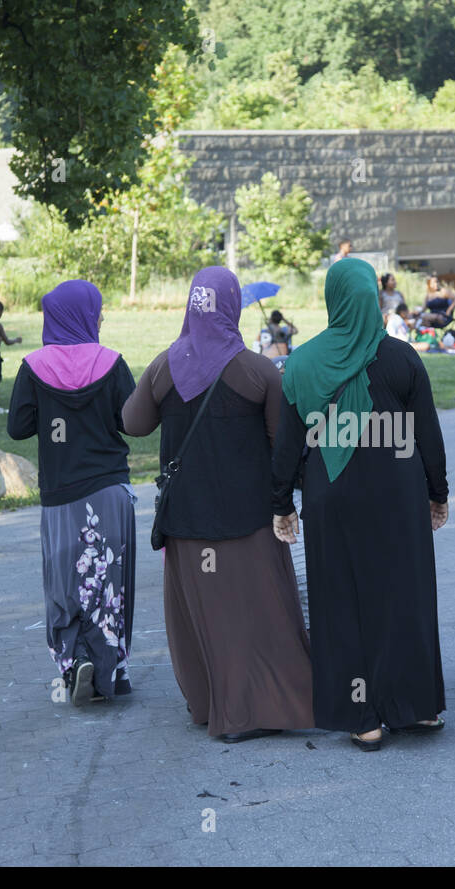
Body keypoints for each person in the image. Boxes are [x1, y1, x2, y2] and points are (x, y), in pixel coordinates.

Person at [122, 266, 314, 743]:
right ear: (230, 306)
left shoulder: (165, 365)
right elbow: (280, 443)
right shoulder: (256, 368)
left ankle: (216, 707)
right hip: (249, 518)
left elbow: (132, 422)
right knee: (262, 616)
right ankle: (261, 709)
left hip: (186, 521)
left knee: (207, 618)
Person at [270, 257, 449, 752]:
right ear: (371, 296)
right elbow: (428, 437)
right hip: (398, 497)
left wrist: (281, 502)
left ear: (333, 298)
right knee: (403, 595)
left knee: (341, 601)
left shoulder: (302, 363)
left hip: (333, 497)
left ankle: (363, 717)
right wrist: (439, 493)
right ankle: (414, 707)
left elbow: (287, 446)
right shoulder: (401, 358)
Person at [7, 280, 138, 705]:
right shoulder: (112, 362)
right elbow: (131, 420)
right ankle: (113, 671)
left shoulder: (33, 365)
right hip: (109, 490)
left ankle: (75, 659)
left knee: (65, 582)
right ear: (85, 315)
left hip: (61, 494)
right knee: (109, 584)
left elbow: (18, 427)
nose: (100, 318)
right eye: (97, 311)